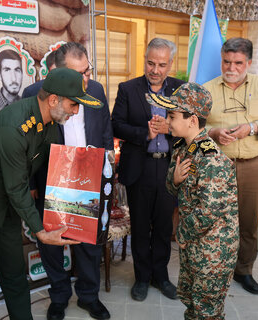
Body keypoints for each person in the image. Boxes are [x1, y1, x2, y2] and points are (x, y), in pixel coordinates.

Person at [0, 67, 104, 320]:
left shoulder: (50, 123)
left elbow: (56, 171)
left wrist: (77, 207)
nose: (76, 111)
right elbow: (16, 186)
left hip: (9, 202)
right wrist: (41, 230)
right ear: (54, 100)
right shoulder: (13, 127)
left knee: (13, 272)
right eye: (73, 104)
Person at [22, 42, 113, 320]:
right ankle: (59, 297)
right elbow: (25, 146)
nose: (86, 79)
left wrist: (106, 172)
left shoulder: (96, 90)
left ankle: (88, 296)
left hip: (89, 178)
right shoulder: (34, 95)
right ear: (57, 74)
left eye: (88, 71)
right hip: (51, 179)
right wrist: (32, 185)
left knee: (89, 243)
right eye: (79, 74)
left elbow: (105, 131)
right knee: (52, 244)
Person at [147, 82, 239, 319]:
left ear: (193, 120)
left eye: (172, 116)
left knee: (207, 311)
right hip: (194, 245)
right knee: (191, 303)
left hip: (213, 250)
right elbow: (170, 186)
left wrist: (182, 236)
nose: (167, 121)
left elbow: (208, 211)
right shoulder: (183, 148)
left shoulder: (211, 160)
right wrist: (176, 181)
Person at [204, 37, 258, 295]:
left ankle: (244, 271)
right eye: (227, 61)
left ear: (248, 62)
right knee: (214, 223)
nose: (232, 67)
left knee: (248, 222)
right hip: (217, 166)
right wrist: (214, 132)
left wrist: (252, 127)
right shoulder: (207, 88)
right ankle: (215, 270)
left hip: (253, 165)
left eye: (238, 63)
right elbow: (193, 126)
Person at [111, 38, 185, 301]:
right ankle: (141, 278)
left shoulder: (180, 89)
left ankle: (161, 277)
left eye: (162, 65)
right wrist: (146, 132)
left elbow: (193, 124)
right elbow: (116, 124)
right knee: (141, 226)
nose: (155, 70)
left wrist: (172, 129)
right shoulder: (128, 89)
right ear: (145, 59)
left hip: (168, 167)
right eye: (151, 63)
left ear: (170, 64)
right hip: (139, 167)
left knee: (164, 226)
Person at [0, 49, 23, 114]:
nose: (13, 79)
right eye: (7, 70)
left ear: (22, 73)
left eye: (17, 70)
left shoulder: (25, 103)